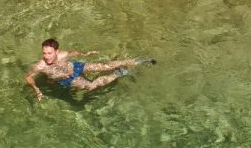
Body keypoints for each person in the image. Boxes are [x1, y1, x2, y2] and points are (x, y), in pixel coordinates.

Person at [25, 38, 155, 101]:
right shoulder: (40, 66)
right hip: (68, 80)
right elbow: (28, 77)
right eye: (44, 53)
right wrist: (36, 90)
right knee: (91, 86)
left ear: (56, 51)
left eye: (49, 53)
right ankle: (118, 73)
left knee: (104, 65)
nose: (46, 56)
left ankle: (139, 61)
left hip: (75, 67)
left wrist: (86, 54)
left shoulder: (62, 55)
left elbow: (73, 52)